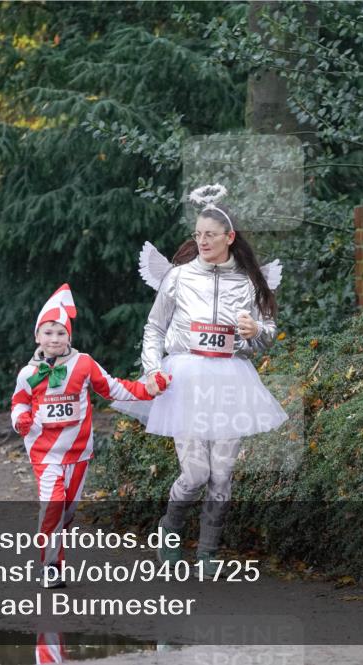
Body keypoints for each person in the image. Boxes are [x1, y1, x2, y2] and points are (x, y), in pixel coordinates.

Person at [113, 184, 287, 568]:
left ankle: (208, 551)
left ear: (230, 237)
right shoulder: (177, 277)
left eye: (210, 234)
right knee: (194, 474)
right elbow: (154, 327)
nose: (203, 240)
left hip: (231, 381)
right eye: (198, 234)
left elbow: (268, 333)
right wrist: (152, 369)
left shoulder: (249, 280)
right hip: (185, 379)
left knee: (222, 476)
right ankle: (169, 528)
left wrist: (255, 333)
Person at [10, 283, 168, 588]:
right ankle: (50, 566)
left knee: (67, 511)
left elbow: (113, 388)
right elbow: (18, 401)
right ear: (37, 337)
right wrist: (21, 420)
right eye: (48, 332)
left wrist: (147, 389)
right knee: (53, 504)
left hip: (79, 452)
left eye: (60, 333)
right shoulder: (27, 373)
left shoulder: (84, 364)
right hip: (44, 452)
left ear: (69, 336)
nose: (54, 338)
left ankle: (56, 548)